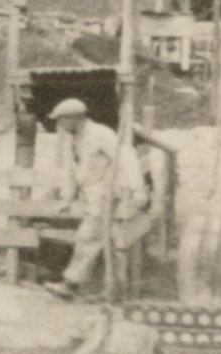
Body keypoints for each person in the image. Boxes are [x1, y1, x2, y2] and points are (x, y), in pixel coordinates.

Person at [43, 98, 149, 301]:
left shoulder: (101, 134)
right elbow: (71, 170)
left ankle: (70, 284)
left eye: (62, 120)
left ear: (75, 118)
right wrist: (67, 198)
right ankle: (114, 292)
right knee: (108, 243)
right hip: (90, 196)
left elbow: (126, 159)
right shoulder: (73, 139)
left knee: (88, 237)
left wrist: (137, 189)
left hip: (107, 195)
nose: (60, 125)